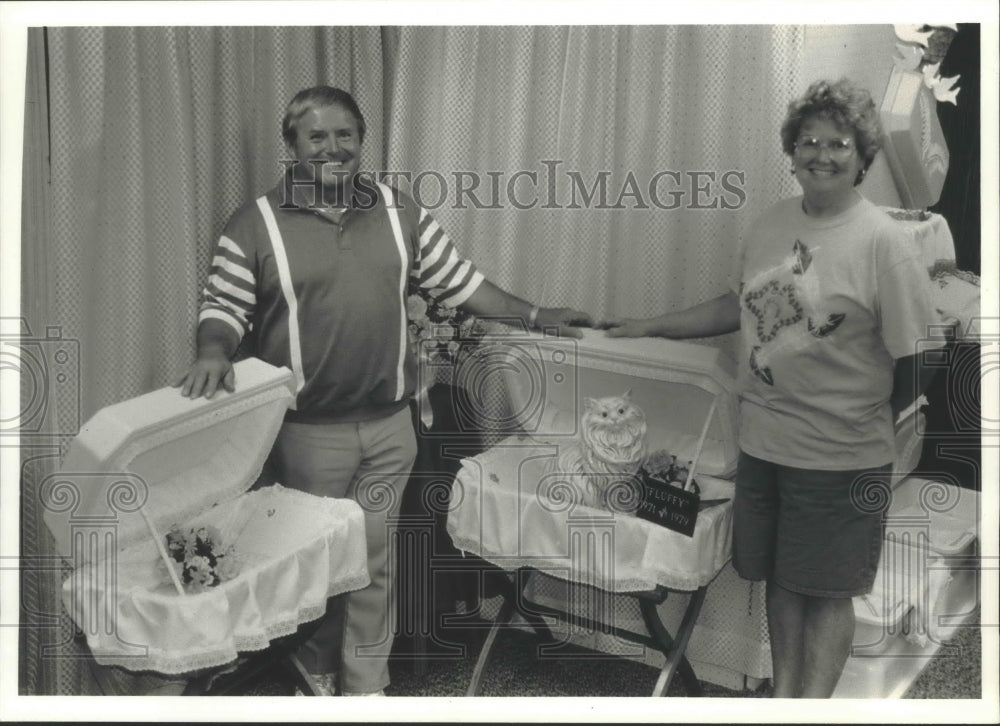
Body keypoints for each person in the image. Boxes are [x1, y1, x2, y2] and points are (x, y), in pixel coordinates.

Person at [176, 85, 592, 697]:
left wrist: (534, 315)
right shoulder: (254, 224)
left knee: (373, 564)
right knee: (314, 566)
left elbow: (463, 284)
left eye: (346, 135)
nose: (334, 148)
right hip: (306, 433)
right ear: (291, 145)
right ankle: (314, 679)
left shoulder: (402, 214)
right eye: (317, 136)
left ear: (362, 141)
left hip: (391, 428)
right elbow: (224, 307)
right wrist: (213, 349)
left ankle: (366, 687)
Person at [602, 78, 940, 697]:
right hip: (763, 445)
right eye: (808, 140)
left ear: (863, 155)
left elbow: (918, 358)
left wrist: (871, 426)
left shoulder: (883, 244)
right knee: (782, 579)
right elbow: (739, 305)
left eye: (839, 143)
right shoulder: (770, 223)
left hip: (841, 458)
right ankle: (785, 699)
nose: (822, 154)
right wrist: (648, 325)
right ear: (791, 150)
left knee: (829, 592)